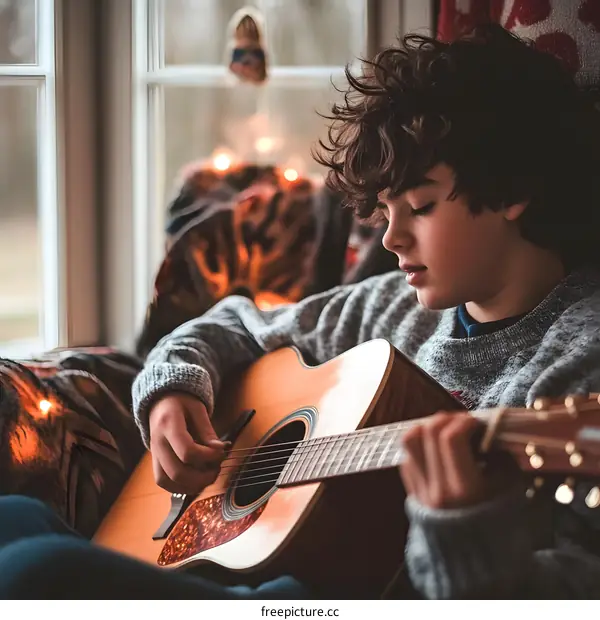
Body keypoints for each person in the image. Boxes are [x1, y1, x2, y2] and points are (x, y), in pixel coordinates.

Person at [1, 23, 600, 599]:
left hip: (327, 595)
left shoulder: (579, 363)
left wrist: (463, 534)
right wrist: (172, 391)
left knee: (34, 571)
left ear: (515, 189)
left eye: (419, 206)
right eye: (387, 210)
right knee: (16, 516)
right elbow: (231, 323)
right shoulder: (387, 306)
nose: (391, 239)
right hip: (233, 565)